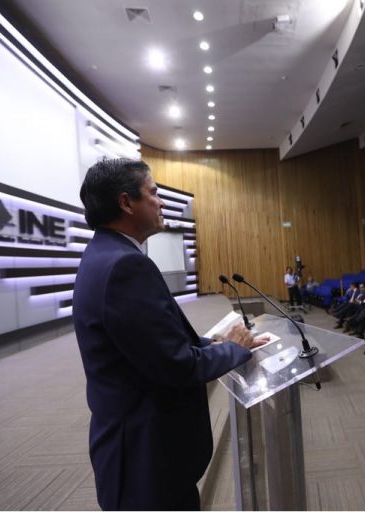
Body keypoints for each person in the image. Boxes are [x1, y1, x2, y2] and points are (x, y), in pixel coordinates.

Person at [73, 158, 266, 510]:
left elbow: (150, 346)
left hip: (134, 453)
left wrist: (216, 344)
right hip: (146, 459)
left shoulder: (103, 255)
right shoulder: (124, 266)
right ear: (126, 202)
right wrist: (233, 350)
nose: (161, 202)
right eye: (154, 193)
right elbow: (176, 364)